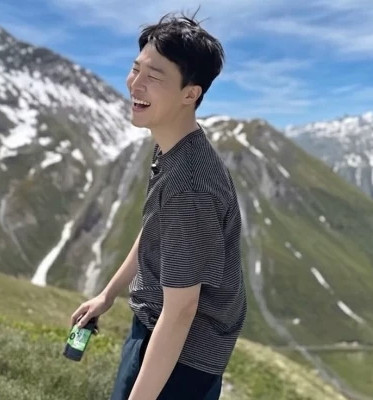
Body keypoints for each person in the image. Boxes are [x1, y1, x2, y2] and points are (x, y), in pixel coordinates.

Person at [70, 10, 247, 400]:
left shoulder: (189, 186)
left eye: (154, 76)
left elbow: (181, 310)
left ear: (190, 94)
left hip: (181, 356)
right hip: (160, 332)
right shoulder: (174, 147)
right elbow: (156, 229)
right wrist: (108, 295)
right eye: (136, 69)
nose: (135, 83)